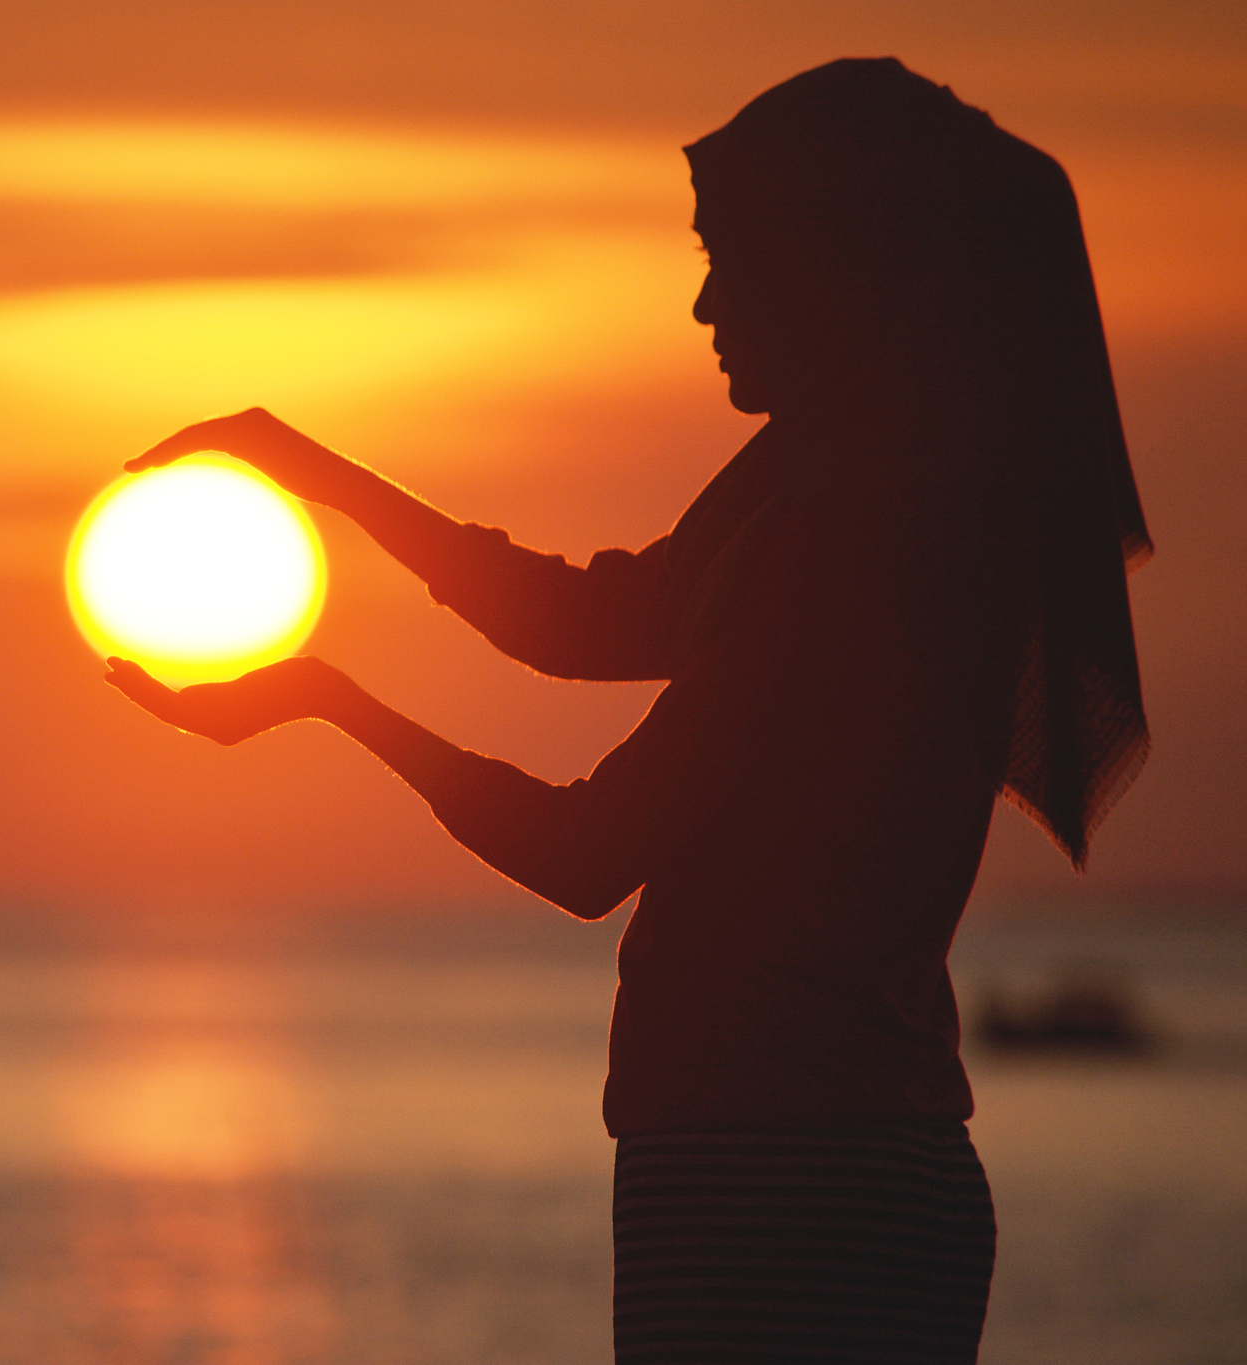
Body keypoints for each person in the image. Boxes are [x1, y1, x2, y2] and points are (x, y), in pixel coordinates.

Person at [105, 57, 1149, 1364]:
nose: (707, 301)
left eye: (733, 256)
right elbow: (581, 622)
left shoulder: (835, 537)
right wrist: (312, 469)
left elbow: (588, 849)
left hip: (781, 1179)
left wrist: (328, 698)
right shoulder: (820, 491)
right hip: (833, 1158)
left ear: (840, 268)